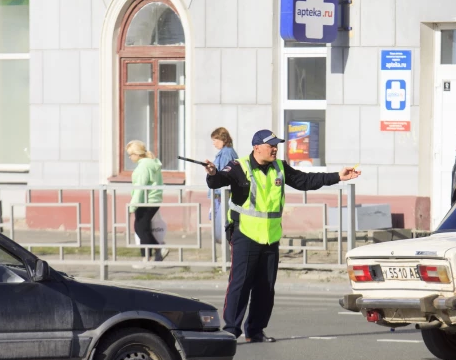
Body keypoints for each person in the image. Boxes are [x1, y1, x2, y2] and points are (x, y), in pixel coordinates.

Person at [204, 129, 361, 343]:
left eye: (276, 145)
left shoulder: (279, 167)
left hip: (270, 236)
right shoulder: (240, 166)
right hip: (245, 233)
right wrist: (212, 173)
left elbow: (304, 180)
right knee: (240, 284)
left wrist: (337, 177)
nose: (275, 149)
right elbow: (218, 181)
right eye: (271, 146)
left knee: (265, 287)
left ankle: (255, 331)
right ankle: (232, 329)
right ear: (257, 147)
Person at [126, 140, 167, 266]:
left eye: (130, 154)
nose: (129, 157)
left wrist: (132, 207)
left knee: (141, 229)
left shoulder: (143, 166)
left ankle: (147, 259)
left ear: (137, 154)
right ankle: (157, 250)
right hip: (153, 200)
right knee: (143, 229)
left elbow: (140, 188)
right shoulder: (151, 163)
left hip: (145, 201)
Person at [209, 127, 238, 243]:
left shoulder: (226, 153)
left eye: (215, 140)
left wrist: (222, 196)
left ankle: (229, 257)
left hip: (223, 195)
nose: (213, 143)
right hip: (221, 195)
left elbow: (226, 176)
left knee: (222, 230)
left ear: (223, 139)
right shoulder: (226, 152)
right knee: (221, 229)